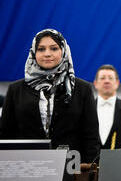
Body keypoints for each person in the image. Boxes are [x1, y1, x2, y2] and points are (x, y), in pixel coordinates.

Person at [0, 29, 100, 163]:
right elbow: (6, 134)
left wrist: (90, 172)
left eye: (54, 48)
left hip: (71, 167)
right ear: (34, 52)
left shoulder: (82, 89)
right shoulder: (15, 89)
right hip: (26, 167)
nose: (47, 54)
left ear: (63, 51)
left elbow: (91, 136)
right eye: (41, 49)